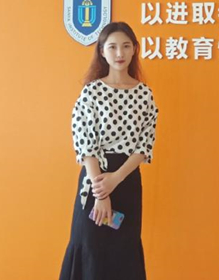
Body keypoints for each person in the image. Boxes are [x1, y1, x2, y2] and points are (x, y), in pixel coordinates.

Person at [59, 21, 159, 280]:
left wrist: (116, 178)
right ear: (102, 51)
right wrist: (101, 191)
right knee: (90, 247)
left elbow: (144, 145)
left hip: (127, 181)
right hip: (96, 180)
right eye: (112, 47)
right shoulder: (91, 92)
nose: (119, 53)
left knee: (123, 251)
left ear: (134, 49)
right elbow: (85, 143)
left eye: (126, 46)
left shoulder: (145, 94)